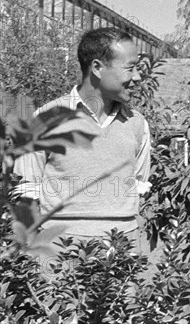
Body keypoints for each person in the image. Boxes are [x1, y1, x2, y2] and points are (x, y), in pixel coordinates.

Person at [14, 28, 152, 269]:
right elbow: (26, 195)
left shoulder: (137, 124)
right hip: (61, 250)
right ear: (97, 68)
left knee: (124, 308)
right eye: (130, 68)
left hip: (122, 248)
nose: (138, 77)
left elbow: (139, 189)